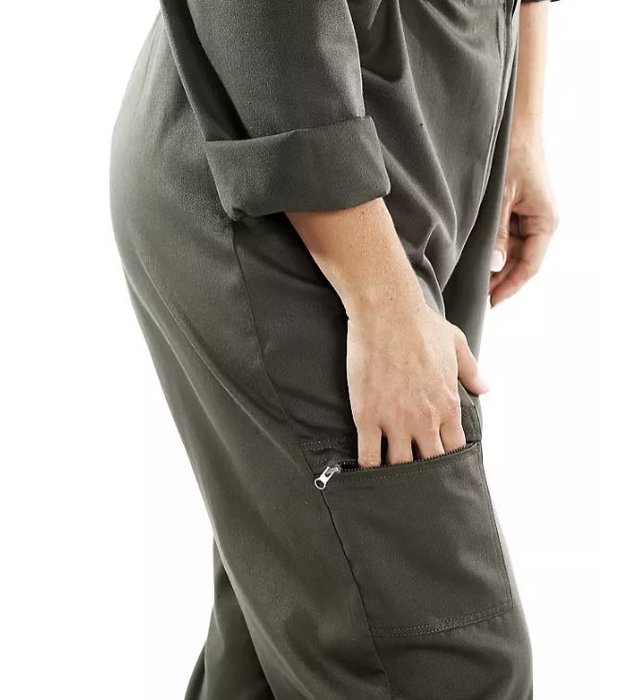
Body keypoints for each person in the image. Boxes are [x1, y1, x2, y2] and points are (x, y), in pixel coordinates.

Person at [110, 0, 559, 697]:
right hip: (289, 166)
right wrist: (379, 298)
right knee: (441, 667)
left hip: (431, 135)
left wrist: (522, 118)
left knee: (304, 642)